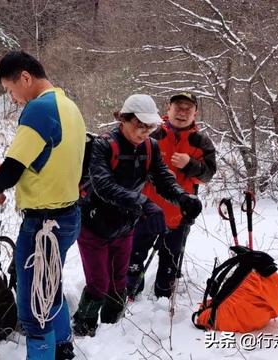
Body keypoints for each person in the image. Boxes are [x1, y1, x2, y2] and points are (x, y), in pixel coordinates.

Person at [72, 94, 203, 337]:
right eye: (139, 125)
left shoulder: (150, 147)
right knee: (98, 283)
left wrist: (183, 197)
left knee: (119, 282)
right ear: (123, 119)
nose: (144, 132)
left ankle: (112, 328)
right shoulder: (103, 145)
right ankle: (84, 327)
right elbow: (103, 185)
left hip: (125, 226)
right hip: (94, 226)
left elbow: (164, 180)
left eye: (150, 126)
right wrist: (144, 203)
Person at [0, 50, 86, 360]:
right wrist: (8, 169)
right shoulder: (68, 107)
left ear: (25, 78)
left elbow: (14, 167)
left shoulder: (38, 109)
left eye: (10, 89)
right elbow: (51, 157)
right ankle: (62, 347)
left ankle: (43, 355)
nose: (13, 98)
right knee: (49, 286)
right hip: (68, 216)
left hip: (44, 223)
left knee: (33, 306)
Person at [127, 92, 217, 299]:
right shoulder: (152, 134)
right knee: (134, 257)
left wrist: (190, 165)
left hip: (180, 215)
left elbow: (208, 174)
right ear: (168, 109)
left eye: (188, 109)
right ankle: (129, 293)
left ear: (195, 113)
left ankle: (164, 297)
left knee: (169, 262)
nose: (182, 113)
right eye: (178, 107)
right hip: (146, 211)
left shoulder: (201, 142)